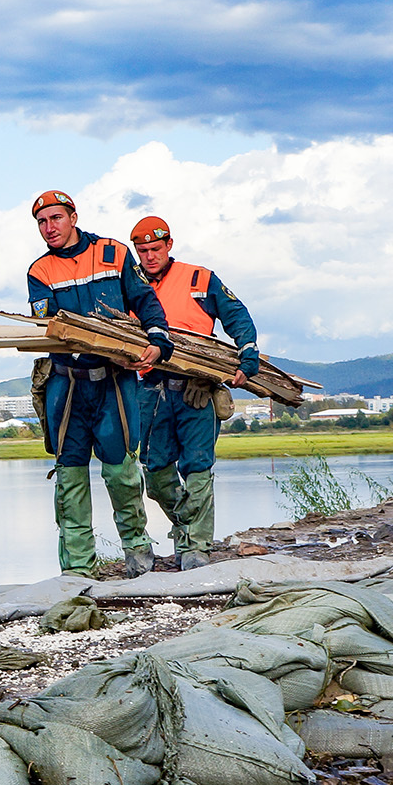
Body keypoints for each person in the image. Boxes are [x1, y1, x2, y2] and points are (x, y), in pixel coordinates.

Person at [29, 191, 172, 576]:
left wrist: (158, 342)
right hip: (68, 386)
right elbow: (47, 326)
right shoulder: (39, 271)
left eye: (56, 218)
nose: (49, 228)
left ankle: (139, 557)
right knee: (70, 476)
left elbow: (145, 302)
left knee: (121, 472)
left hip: (113, 382)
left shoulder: (113, 252)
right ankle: (77, 571)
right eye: (42, 222)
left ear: (73, 217)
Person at [127, 216, 258, 572]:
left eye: (155, 249)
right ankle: (187, 526)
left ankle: (196, 547)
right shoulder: (130, 282)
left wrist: (248, 351)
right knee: (154, 472)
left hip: (196, 387)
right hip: (151, 389)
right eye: (142, 251)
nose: (150, 256)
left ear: (169, 244)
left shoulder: (200, 278)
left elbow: (235, 314)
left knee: (198, 467)